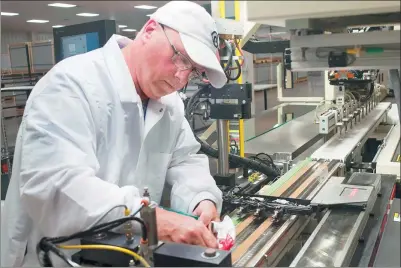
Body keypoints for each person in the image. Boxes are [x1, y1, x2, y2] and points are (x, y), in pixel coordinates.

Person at [1, 1, 228, 266]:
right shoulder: (70, 85)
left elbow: (185, 159)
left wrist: (201, 200)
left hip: (126, 256)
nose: (181, 77)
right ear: (150, 30)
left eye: (194, 71)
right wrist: (146, 218)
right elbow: (56, 188)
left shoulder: (170, 104)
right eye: (180, 58)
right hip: (59, 258)